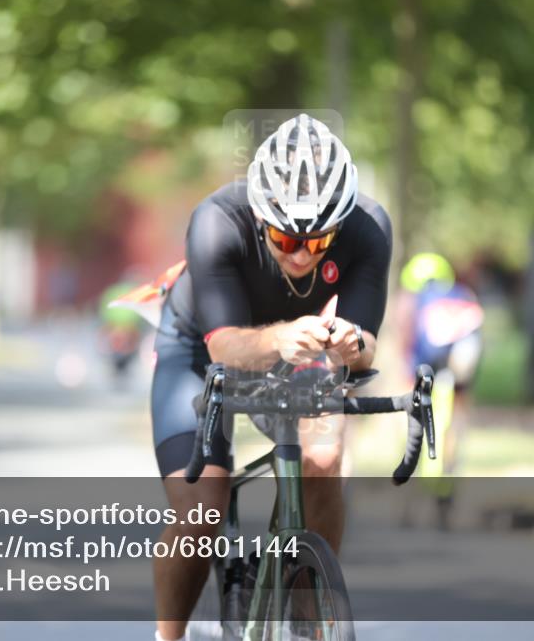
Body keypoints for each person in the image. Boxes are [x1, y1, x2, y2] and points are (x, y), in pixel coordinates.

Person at [150, 114, 391, 640]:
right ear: (261, 219)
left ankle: (306, 618)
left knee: (324, 456)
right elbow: (224, 346)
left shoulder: (369, 227)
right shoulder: (217, 219)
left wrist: (351, 345)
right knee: (202, 514)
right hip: (199, 349)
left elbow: (366, 345)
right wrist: (282, 337)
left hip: (301, 347)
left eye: (319, 241)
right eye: (285, 237)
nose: (302, 254)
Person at [396, 252, 484, 529]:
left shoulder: (414, 300)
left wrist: (405, 370)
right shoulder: (462, 295)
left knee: (416, 432)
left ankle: (412, 504)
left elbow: (407, 335)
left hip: (427, 371)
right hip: (459, 376)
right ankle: (446, 497)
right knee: (452, 433)